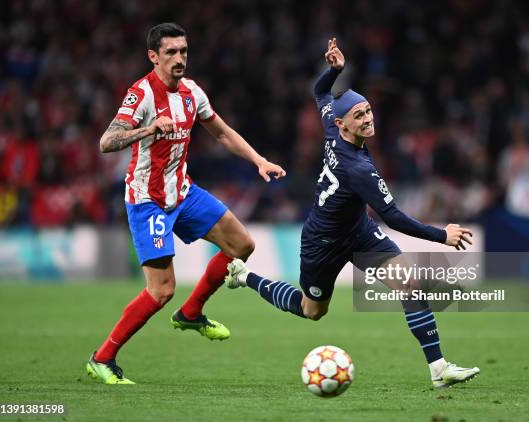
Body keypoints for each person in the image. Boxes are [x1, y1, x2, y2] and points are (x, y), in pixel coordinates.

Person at [225, 38, 479, 388]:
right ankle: (245, 277)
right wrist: (442, 236)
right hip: (322, 242)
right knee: (311, 310)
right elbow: (395, 218)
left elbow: (319, 93)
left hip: (357, 230)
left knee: (410, 286)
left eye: (368, 111)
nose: (367, 119)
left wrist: (334, 72)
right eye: (359, 116)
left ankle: (438, 368)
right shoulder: (358, 170)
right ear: (343, 125)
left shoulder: (334, 125)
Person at [87, 23, 286, 385]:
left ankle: (191, 313)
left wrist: (258, 160)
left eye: (183, 51)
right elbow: (107, 141)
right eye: (171, 53)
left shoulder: (193, 91)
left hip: (184, 192)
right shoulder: (141, 95)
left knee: (242, 245)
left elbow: (222, 133)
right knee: (161, 290)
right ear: (153, 56)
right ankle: (102, 358)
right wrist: (148, 129)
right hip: (149, 201)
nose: (179, 59)